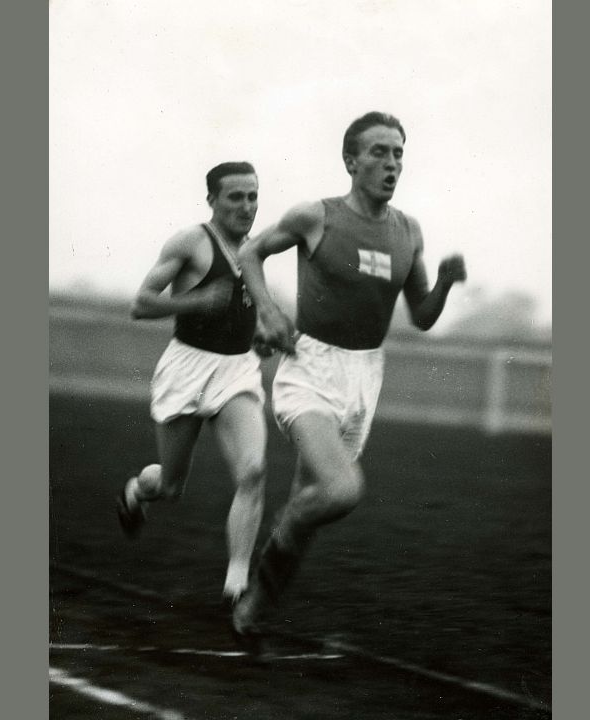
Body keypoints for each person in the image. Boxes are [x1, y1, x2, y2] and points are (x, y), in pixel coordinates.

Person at [232, 112, 467, 652]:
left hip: (364, 378)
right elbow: (250, 252)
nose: (391, 164)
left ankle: (253, 611)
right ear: (351, 161)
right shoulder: (316, 217)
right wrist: (266, 312)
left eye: (398, 154)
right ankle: (276, 545)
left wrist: (448, 285)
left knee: (313, 508)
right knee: (340, 491)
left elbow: (423, 315)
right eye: (380, 152)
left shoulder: (409, 231)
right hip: (309, 371)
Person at [116, 161, 268, 603]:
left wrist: (262, 331)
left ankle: (237, 583)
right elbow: (140, 305)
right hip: (187, 368)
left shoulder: (257, 249)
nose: (246, 206)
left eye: (253, 196)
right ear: (213, 201)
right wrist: (199, 299)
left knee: (254, 471)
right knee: (169, 487)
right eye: (235, 197)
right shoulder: (190, 242)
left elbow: (250, 303)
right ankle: (135, 491)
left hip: (236, 371)